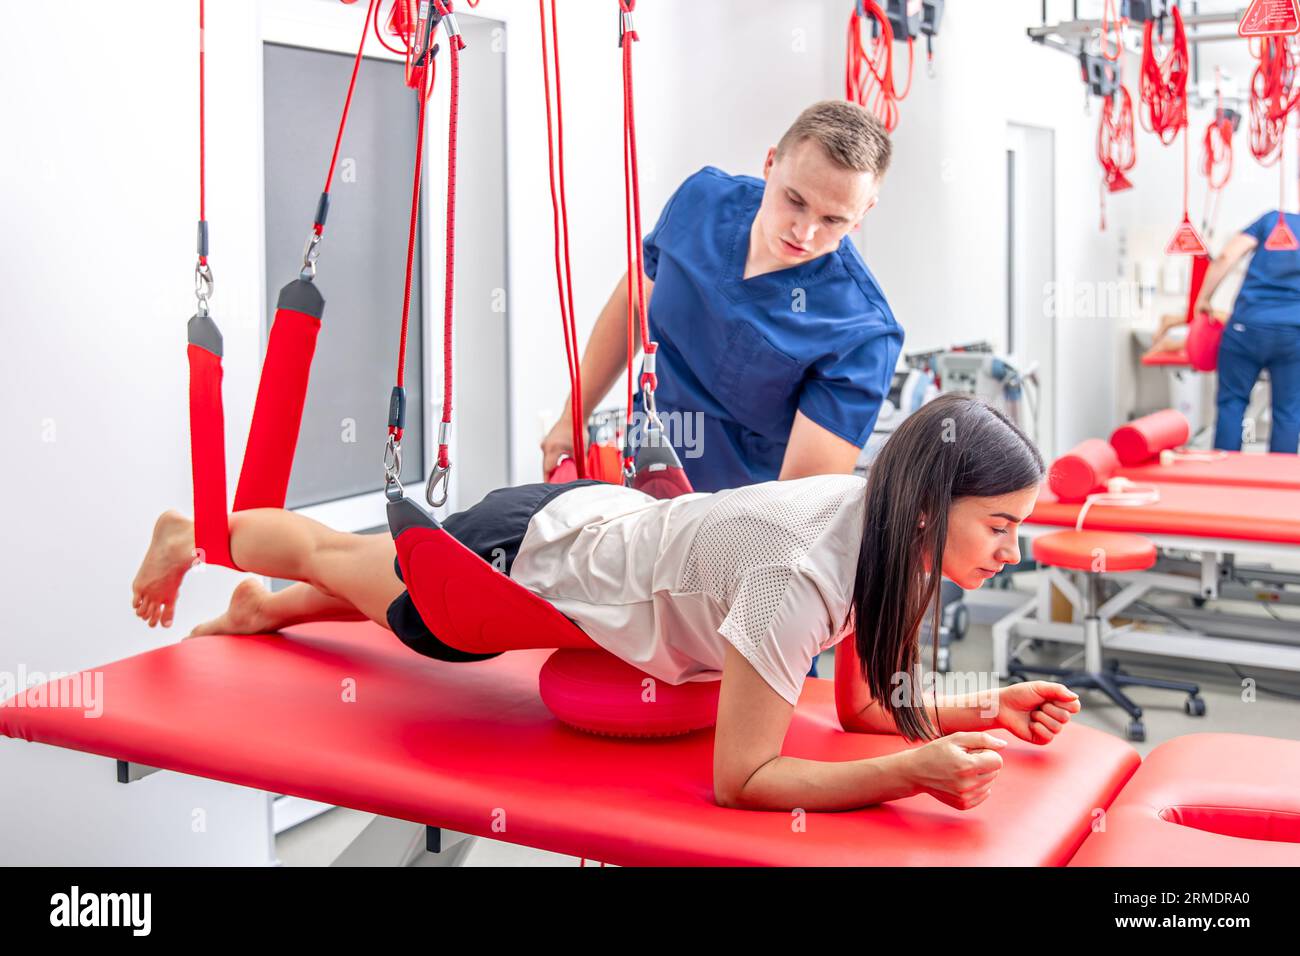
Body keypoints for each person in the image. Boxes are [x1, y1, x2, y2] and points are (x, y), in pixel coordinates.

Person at [133, 394, 1078, 813]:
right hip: (530, 557)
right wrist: (909, 775)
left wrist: (988, 704)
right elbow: (743, 781)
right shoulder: (804, 574)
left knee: (385, 596)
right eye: (999, 524)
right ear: (930, 506)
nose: (1013, 548)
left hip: (618, 536)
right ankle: (206, 536)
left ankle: (262, 612)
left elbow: (865, 708)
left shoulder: (898, 548)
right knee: (363, 574)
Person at [541, 99, 904, 678]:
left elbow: (798, 508)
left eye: (834, 220)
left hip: (742, 567)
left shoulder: (860, 331)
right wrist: (571, 416)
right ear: (769, 165)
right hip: (633, 510)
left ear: (863, 214)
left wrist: (699, 562)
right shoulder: (701, 201)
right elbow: (637, 300)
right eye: (794, 200)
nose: (805, 232)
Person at [1155, 209, 1300, 453]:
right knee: (1288, 411)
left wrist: (1202, 298)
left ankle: (1222, 475)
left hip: (1247, 327)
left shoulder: (1271, 220)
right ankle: (1282, 483)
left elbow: (1226, 256)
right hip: (1293, 332)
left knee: (1232, 403)